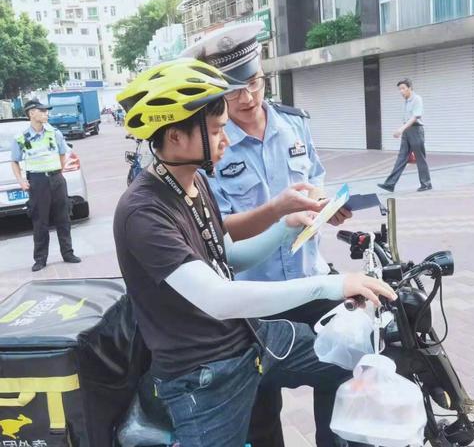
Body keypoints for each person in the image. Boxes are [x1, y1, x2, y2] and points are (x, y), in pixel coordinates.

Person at [113, 58, 395, 447]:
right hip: (203, 373)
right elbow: (217, 297)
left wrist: (285, 226)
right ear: (176, 137)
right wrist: (330, 285)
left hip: (248, 339)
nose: (225, 139)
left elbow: (227, 254)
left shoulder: (194, 184)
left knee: (349, 359)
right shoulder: (143, 212)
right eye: (214, 131)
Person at [182, 22, 355, 446]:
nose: (248, 98)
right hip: (254, 297)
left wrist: (323, 205)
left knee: (342, 369)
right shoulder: (209, 144)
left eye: (255, 83)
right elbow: (215, 230)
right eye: (234, 90)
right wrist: (278, 215)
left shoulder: (294, 125)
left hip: (310, 281)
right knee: (260, 409)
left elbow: (314, 179)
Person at [10, 99, 81, 272]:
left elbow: (63, 154)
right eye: (42, 111)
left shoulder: (54, 133)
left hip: (56, 179)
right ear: (31, 113)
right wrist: (21, 180)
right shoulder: (21, 138)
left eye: (46, 111)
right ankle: (40, 259)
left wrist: (57, 171)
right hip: (37, 181)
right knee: (40, 221)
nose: (46, 113)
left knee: (63, 218)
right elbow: (14, 161)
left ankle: (68, 253)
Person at [377, 78, 432, 193]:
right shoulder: (406, 101)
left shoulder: (417, 99)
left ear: (410, 88)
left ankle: (426, 184)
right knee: (401, 157)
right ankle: (390, 184)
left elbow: (415, 117)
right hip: (407, 131)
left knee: (420, 158)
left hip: (416, 130)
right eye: (399, 89)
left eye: (403, 88)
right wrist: (403, 129)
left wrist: (401, 129)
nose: (401, 91)